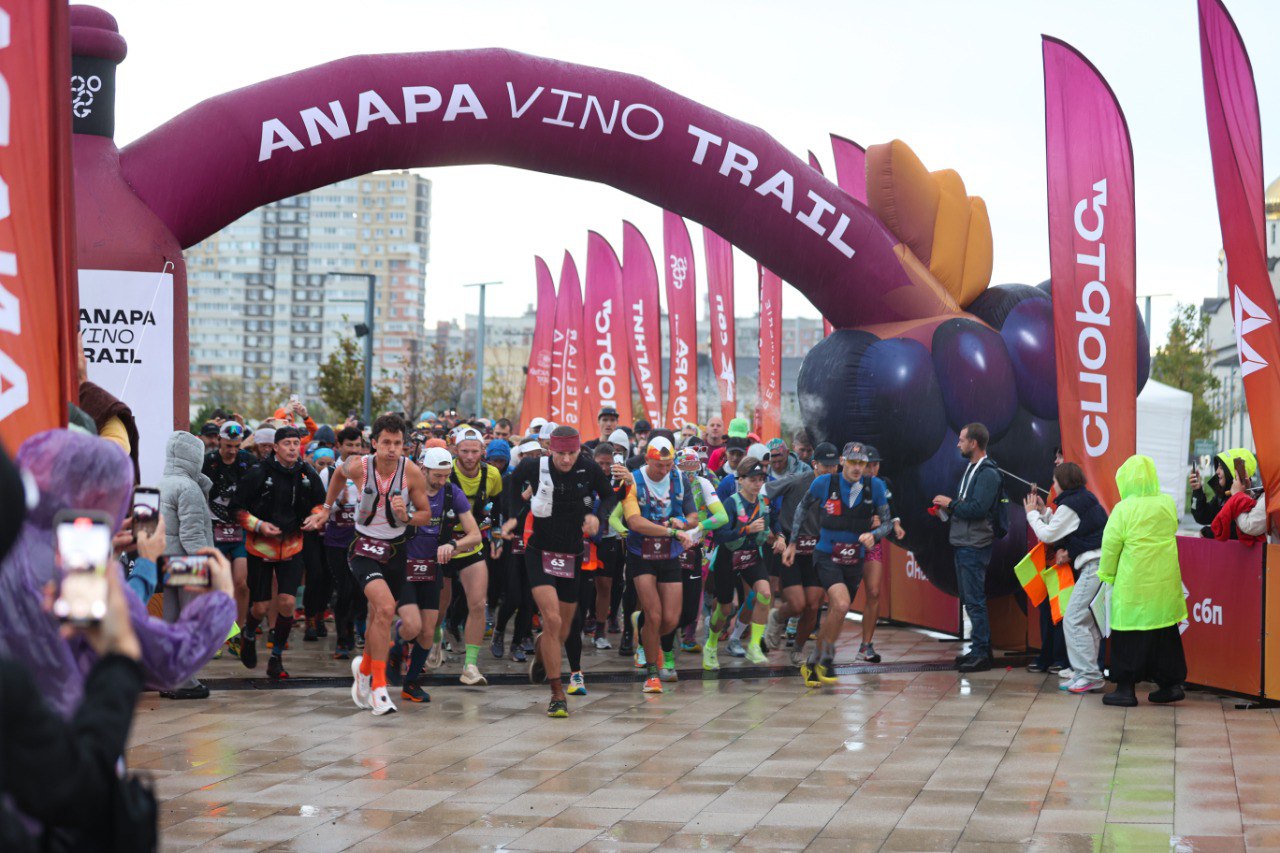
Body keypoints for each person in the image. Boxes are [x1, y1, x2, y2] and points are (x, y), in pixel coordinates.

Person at [1, 430, 236, 719]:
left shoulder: (18, 544)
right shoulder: (78, 568)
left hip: (16, 720)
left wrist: (110, 553)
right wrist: (221, 597)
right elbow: (168, 657)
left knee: (171, 611)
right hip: (57, 725)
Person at [311, 414, 434, 716]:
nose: (392, 449)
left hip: (396, 550)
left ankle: (364, 670)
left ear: (404, 445)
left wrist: (406, 516)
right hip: (363, 547)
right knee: (386, 609)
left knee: (380, 616)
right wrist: (326, 509)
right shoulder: (359, 466)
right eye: (386, 443)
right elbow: (337, 475)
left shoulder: (411, 472)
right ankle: (379, 688)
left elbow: (426, 515)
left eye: (398, 443)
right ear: (374, 443)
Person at [502, 425, 618, 717]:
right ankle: (557, 693)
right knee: (551, 619)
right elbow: (512, 484)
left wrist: (597, 517)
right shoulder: (534, 466)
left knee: (563, 629)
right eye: (560, 453)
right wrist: (513, 517)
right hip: (539, 552)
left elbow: (609, 496)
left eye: (571, 453)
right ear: (550, 450)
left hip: (571, 555)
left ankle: (544, 651)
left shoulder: (588, 468)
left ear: (578, 450)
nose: (566, 459)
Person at [784, 442, 892, 686]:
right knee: (841, 603)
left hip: (854, 560)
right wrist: (792, 543)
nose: (857, 468)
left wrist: (874, 535)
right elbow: (802, 508)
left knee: (838, 611)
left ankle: (818, 660)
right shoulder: (825, 483)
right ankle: (817, 661)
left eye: (861, 463)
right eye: (852, 462)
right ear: (842, 461)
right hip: (826, 555)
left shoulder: (875, 486)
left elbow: (887, 523)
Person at [230, 425, 326, 680]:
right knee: (260, 607)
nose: (293, 448)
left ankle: (276, 657)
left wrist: (316, 517)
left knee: (287, 603)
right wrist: (259, 525)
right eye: (287, 444)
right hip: (260, 547)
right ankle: (248, 633)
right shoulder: (258, 472)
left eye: (296, 443)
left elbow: (321, 503)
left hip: (293, 545)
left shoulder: (307, 473)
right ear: (275, 447)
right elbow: (235, 508)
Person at [1098, 455, 1188, 706]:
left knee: (1129, 636)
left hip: (1134, 587)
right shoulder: (1167, 504)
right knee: (1165, 634)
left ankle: (1125, 689)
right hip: (1164, 587)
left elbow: (1110, 546)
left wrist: (1106, 574)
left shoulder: (1123, 509)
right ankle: (1171, 685)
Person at [395, 447, 482, 704]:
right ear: (424, 469)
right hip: (404, 565)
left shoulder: (452, 493)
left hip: (432, 567)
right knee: (412, 624)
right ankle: (393, 645)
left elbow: (475, 535)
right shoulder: (406, 489)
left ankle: (411, 683)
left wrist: (453, 545)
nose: (442, 481)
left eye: (446, 475)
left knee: (428, 629)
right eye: (437, 476)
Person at [620, 436, 698, 691]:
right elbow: (634, 522)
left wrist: (683, 523)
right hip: (641, 553)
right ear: (647, 460)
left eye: (668, 464)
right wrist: (671, 531)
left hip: (669, 554)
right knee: (654, 614)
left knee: (671, 619)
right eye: (658, 465)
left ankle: (642, 627)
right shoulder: (633, 480)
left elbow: (693, 516)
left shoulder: (680, 479)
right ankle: (652, 673)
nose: (664, 470)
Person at [1025, 462, 1110, 694]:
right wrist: (1045, 513)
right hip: (1100, 565)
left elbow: (1048, 535)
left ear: (1063, 483)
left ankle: (1088, 675)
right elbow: (1068, 525)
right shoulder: (1084, 498)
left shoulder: (1071, 504)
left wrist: (1032, 515)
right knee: (1088, 623)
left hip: (1093, 567)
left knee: (1073, 619)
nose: (1053, 486)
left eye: (1054, 482)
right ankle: (1086, 672)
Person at [932, 424, 1002, 674]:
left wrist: (950, 504)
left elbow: (978, 509)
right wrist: (947, 509)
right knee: (970, 600)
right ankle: (979, 648)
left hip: (974, 544)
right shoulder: (972, 469)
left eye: (962, 440)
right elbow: (967, 505)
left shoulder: (988, 473)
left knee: (975, 601)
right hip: (963, 541)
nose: (958, 444)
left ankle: (982, 653)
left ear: (974, 443)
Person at [437, 425, 502, 685]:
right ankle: (433, 643)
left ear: (483, 450)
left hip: (472, 543)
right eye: (464, 451)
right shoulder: (445, 471)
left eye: (475, 451)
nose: (470, 456)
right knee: (439, 606)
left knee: (477, 604)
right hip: (443, 545)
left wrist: (496, 536)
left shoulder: (492, 474)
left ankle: (471, 666)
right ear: (455, 450)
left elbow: (498, 507)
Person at [158, 430, 216, 700]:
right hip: (188, 561)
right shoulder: (187, 488)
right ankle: (185, 681)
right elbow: (191, 534)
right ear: (194, 457)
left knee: (171, 621)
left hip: (166, 559)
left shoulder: (162, 483)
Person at [768, 441, 837, 666]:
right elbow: (763, 493)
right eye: (825, 466)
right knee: (797, 604)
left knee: (813, 605)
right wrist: (773, 530)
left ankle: (798, 648)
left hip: (818, 550)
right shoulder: (797, 480)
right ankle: (777, 616)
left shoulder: (840, 487)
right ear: (815, 464)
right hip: (791, 548)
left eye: (834, 466)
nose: (830, 470)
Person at [706, 457, 776, 667]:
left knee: (764, 594)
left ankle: (754, 646)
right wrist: (746, 529)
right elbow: (720, 535)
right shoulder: (730, 503)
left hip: (752, 555)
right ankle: (711, 645)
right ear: (741, 480)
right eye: (752, 479)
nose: (757, 484)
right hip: (728, 557)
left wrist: (780, 538)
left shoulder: (764, 503)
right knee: (724, 609)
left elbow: (775, 523)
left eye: (760, 479)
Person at [203, 421, 255, 648]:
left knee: (242, 583)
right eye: (228, 446)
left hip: (240, 529)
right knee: (216, 584)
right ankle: (216, 634)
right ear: (219, 441)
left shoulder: (248, 461)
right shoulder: (208, 462)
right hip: (214, 528)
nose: (232, 451)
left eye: (236, 446)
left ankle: (236, 633)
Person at [492, 438, 540, 663]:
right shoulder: (510, 481)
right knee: (513, 597)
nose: (534, 461)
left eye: (538, 456)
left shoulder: (546, 481)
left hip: (536, 545)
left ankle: (517, 642)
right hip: (513, 543)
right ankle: (499, 631)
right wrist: (527, 493)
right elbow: (507, 511)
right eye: (530, 456)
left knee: (529, 600)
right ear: (520, 458)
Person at [675, 447, 727, 657]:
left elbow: (722, 516)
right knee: (670, 585)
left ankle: (689, 635)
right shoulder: (670, 482)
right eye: (684, 466)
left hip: (698, 544)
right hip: (671, 541)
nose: (688, 471)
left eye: (692, 466)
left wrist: (700, 527)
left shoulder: (703, 483)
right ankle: (668, 630)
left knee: (697, 589)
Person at [319, 426, 364, 659]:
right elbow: (320, 509)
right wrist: (339, 502)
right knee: (344, 588)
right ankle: (342, 640)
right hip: (336, 540)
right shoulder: (328, 473)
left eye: (358, 445)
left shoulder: (368, 471)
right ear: (339, 446)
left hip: (361, 539)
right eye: (349, 445)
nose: (354, 450)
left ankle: (356, 632)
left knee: (359, 589)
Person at [857, 445, 904, 664]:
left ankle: (866, 645)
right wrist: (866, 521)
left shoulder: (883, 484)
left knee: (874, 592)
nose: (872, 469)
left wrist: (895, 524)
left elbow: (891, 511)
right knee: (842, 597)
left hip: (873, 543)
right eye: (868, 465)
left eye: (875, 465)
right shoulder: (847, 484)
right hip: (847, 544)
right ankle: (826, 644)